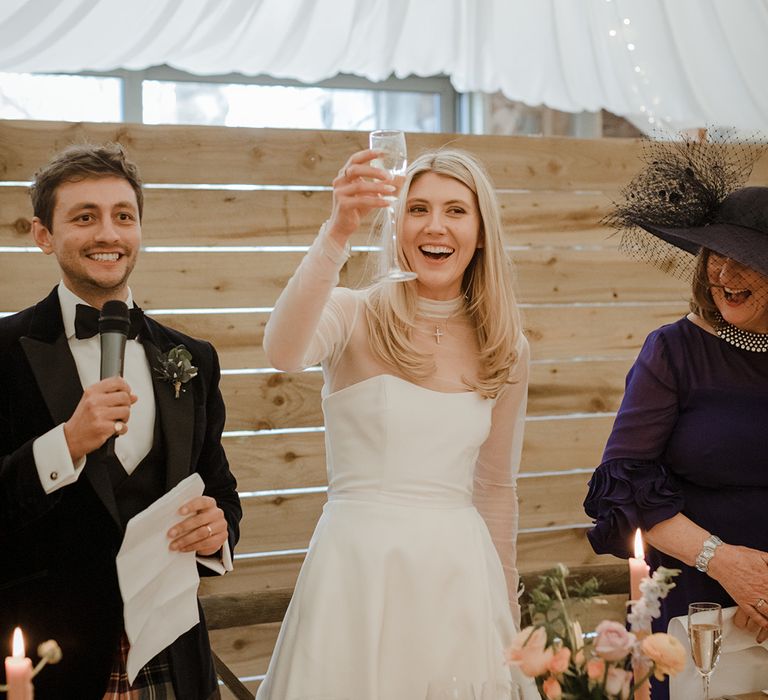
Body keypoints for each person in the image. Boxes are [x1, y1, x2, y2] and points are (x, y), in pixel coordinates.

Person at [257, 147, 536, 699]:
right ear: (396, 225)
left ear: (481, 233)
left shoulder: (507, 346)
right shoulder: (351, 313)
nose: (436, 226)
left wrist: (507, 616)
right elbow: (282, 351)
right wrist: (338, 230)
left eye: (457, 211)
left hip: (460, 584)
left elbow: (496, 488)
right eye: (418, 209)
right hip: (356, 573)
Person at [0, 143, 242, 699]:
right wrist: (65, 444)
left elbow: (221, 490)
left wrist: (217, 532)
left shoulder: (193, 358)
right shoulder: (4, 354)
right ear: (43, 235)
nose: (108, 233)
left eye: (123, 216)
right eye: (85, 217)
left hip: (170, 653)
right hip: (49, 657)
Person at [583, 136, 768, 699]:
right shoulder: (672, 351)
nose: (724, 273)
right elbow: (625, 483)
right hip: (698, 604)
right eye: (715, 254)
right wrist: (727, 565)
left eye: (747, 260)